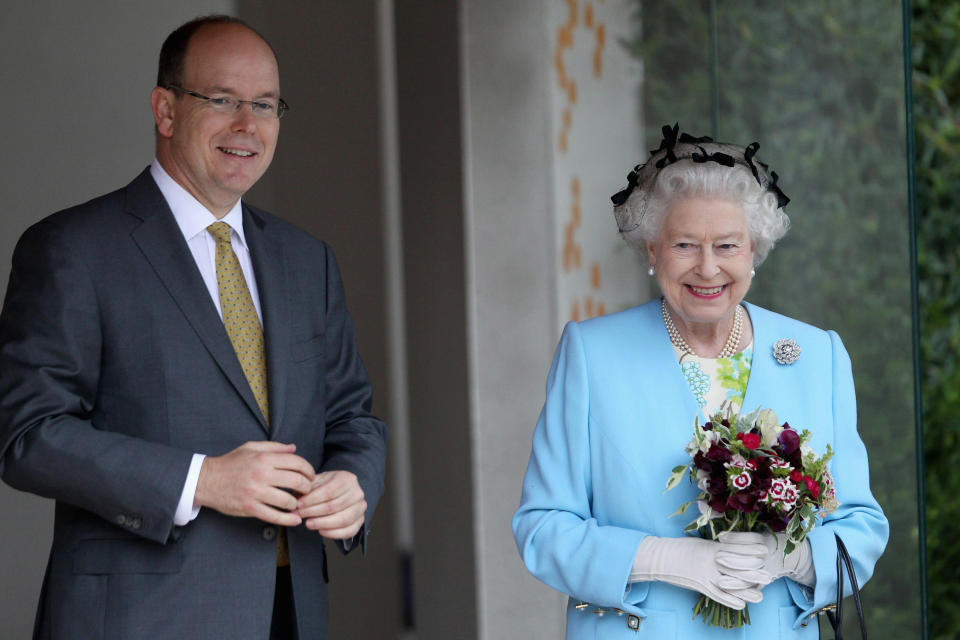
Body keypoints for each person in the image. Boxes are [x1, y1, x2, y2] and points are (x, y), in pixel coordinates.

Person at [0, 15, 387, 640]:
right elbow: (26, 434)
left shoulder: (305, 258)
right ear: (165, 110)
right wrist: (202, 480)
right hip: (139, 620)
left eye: (264, 104)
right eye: (223, 100)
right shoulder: (73, 249)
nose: (247, 125)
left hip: (289, 613)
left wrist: (353, 480)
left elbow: (352, 417)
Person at [512, 124, 888, 638]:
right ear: (651, 249)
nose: (707, 268)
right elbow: (542, 528)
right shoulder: (593, 355)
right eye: (685, 244)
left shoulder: (816, 356)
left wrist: (792, 558)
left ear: (754, 250)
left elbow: (861, 525)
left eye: (728, 245)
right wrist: (662, 558)